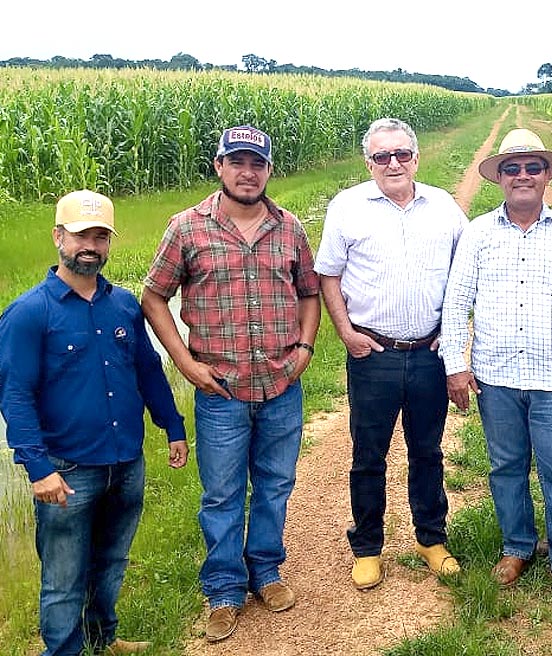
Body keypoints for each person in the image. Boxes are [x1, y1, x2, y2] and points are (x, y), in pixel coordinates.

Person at [141, 126, 320, 642]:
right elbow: (154, 297)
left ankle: (265, 571)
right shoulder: (186, 228)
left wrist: (304, 349)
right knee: (221, 494)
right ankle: (223, 589)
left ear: (268, 170)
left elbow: (309, 293)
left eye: (257, 164)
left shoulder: (288, 228)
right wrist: (186, 364)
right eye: (237, 162)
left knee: (275, 484)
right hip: (219, 388)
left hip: (282, 383)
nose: (248, 173)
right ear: (218, 166)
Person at [0, 190, 188, 656]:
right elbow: (15, 396)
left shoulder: (123, 305)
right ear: (58, 237)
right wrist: (38, 468)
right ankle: (63, 649)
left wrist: (173, 426)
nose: (91, 245)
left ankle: (102, 637)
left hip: (126, 461)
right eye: (82, 235)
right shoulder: (29, 313)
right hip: (67, 470)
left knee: (110, 561)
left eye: (100, 236)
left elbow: (148, 370)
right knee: (64, 577)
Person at [441, 128, 552, 604]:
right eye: (512, 168)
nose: (522, 176)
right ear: (500, 178)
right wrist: (457, 365)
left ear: (545, 175)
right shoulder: (477, 234)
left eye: (532, 167)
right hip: (496, 378)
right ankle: (517, 546)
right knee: (506, 467)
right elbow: (457, 304)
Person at [315, 117, 466, 590]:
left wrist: (457, 332)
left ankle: (430, 538)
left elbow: (469, 272)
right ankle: (367, 546)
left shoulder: (443, 207)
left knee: (427, 450)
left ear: (416, 158)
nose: (393, 163)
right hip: (372, 353)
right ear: (369, 162)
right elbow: (328, 275)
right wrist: (345, 332)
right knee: (368, 454)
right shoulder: (348, 208)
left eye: (402, 154)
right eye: (382, 156)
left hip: (427, 352)